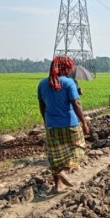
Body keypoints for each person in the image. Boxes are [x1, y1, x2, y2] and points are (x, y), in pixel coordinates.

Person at [37, 56, 89, 193]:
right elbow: (76, 103)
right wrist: (84, 122)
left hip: (52, 126)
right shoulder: (69, 83)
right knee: (79, 146)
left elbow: (42, 106)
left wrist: (46, 121)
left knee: (54, 156)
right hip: (70, 124)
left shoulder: (42, 84)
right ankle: (66, 168)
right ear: (65, 68)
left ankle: (58, 186)